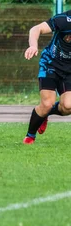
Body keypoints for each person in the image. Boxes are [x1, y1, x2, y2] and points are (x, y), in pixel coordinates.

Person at [22, 12, 71, 144]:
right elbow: (36, 29)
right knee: (47, 104)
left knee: (68, 106)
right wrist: (33, 45)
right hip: (51, 64)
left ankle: (45, 114)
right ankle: (30, 136)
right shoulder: (64, 20)